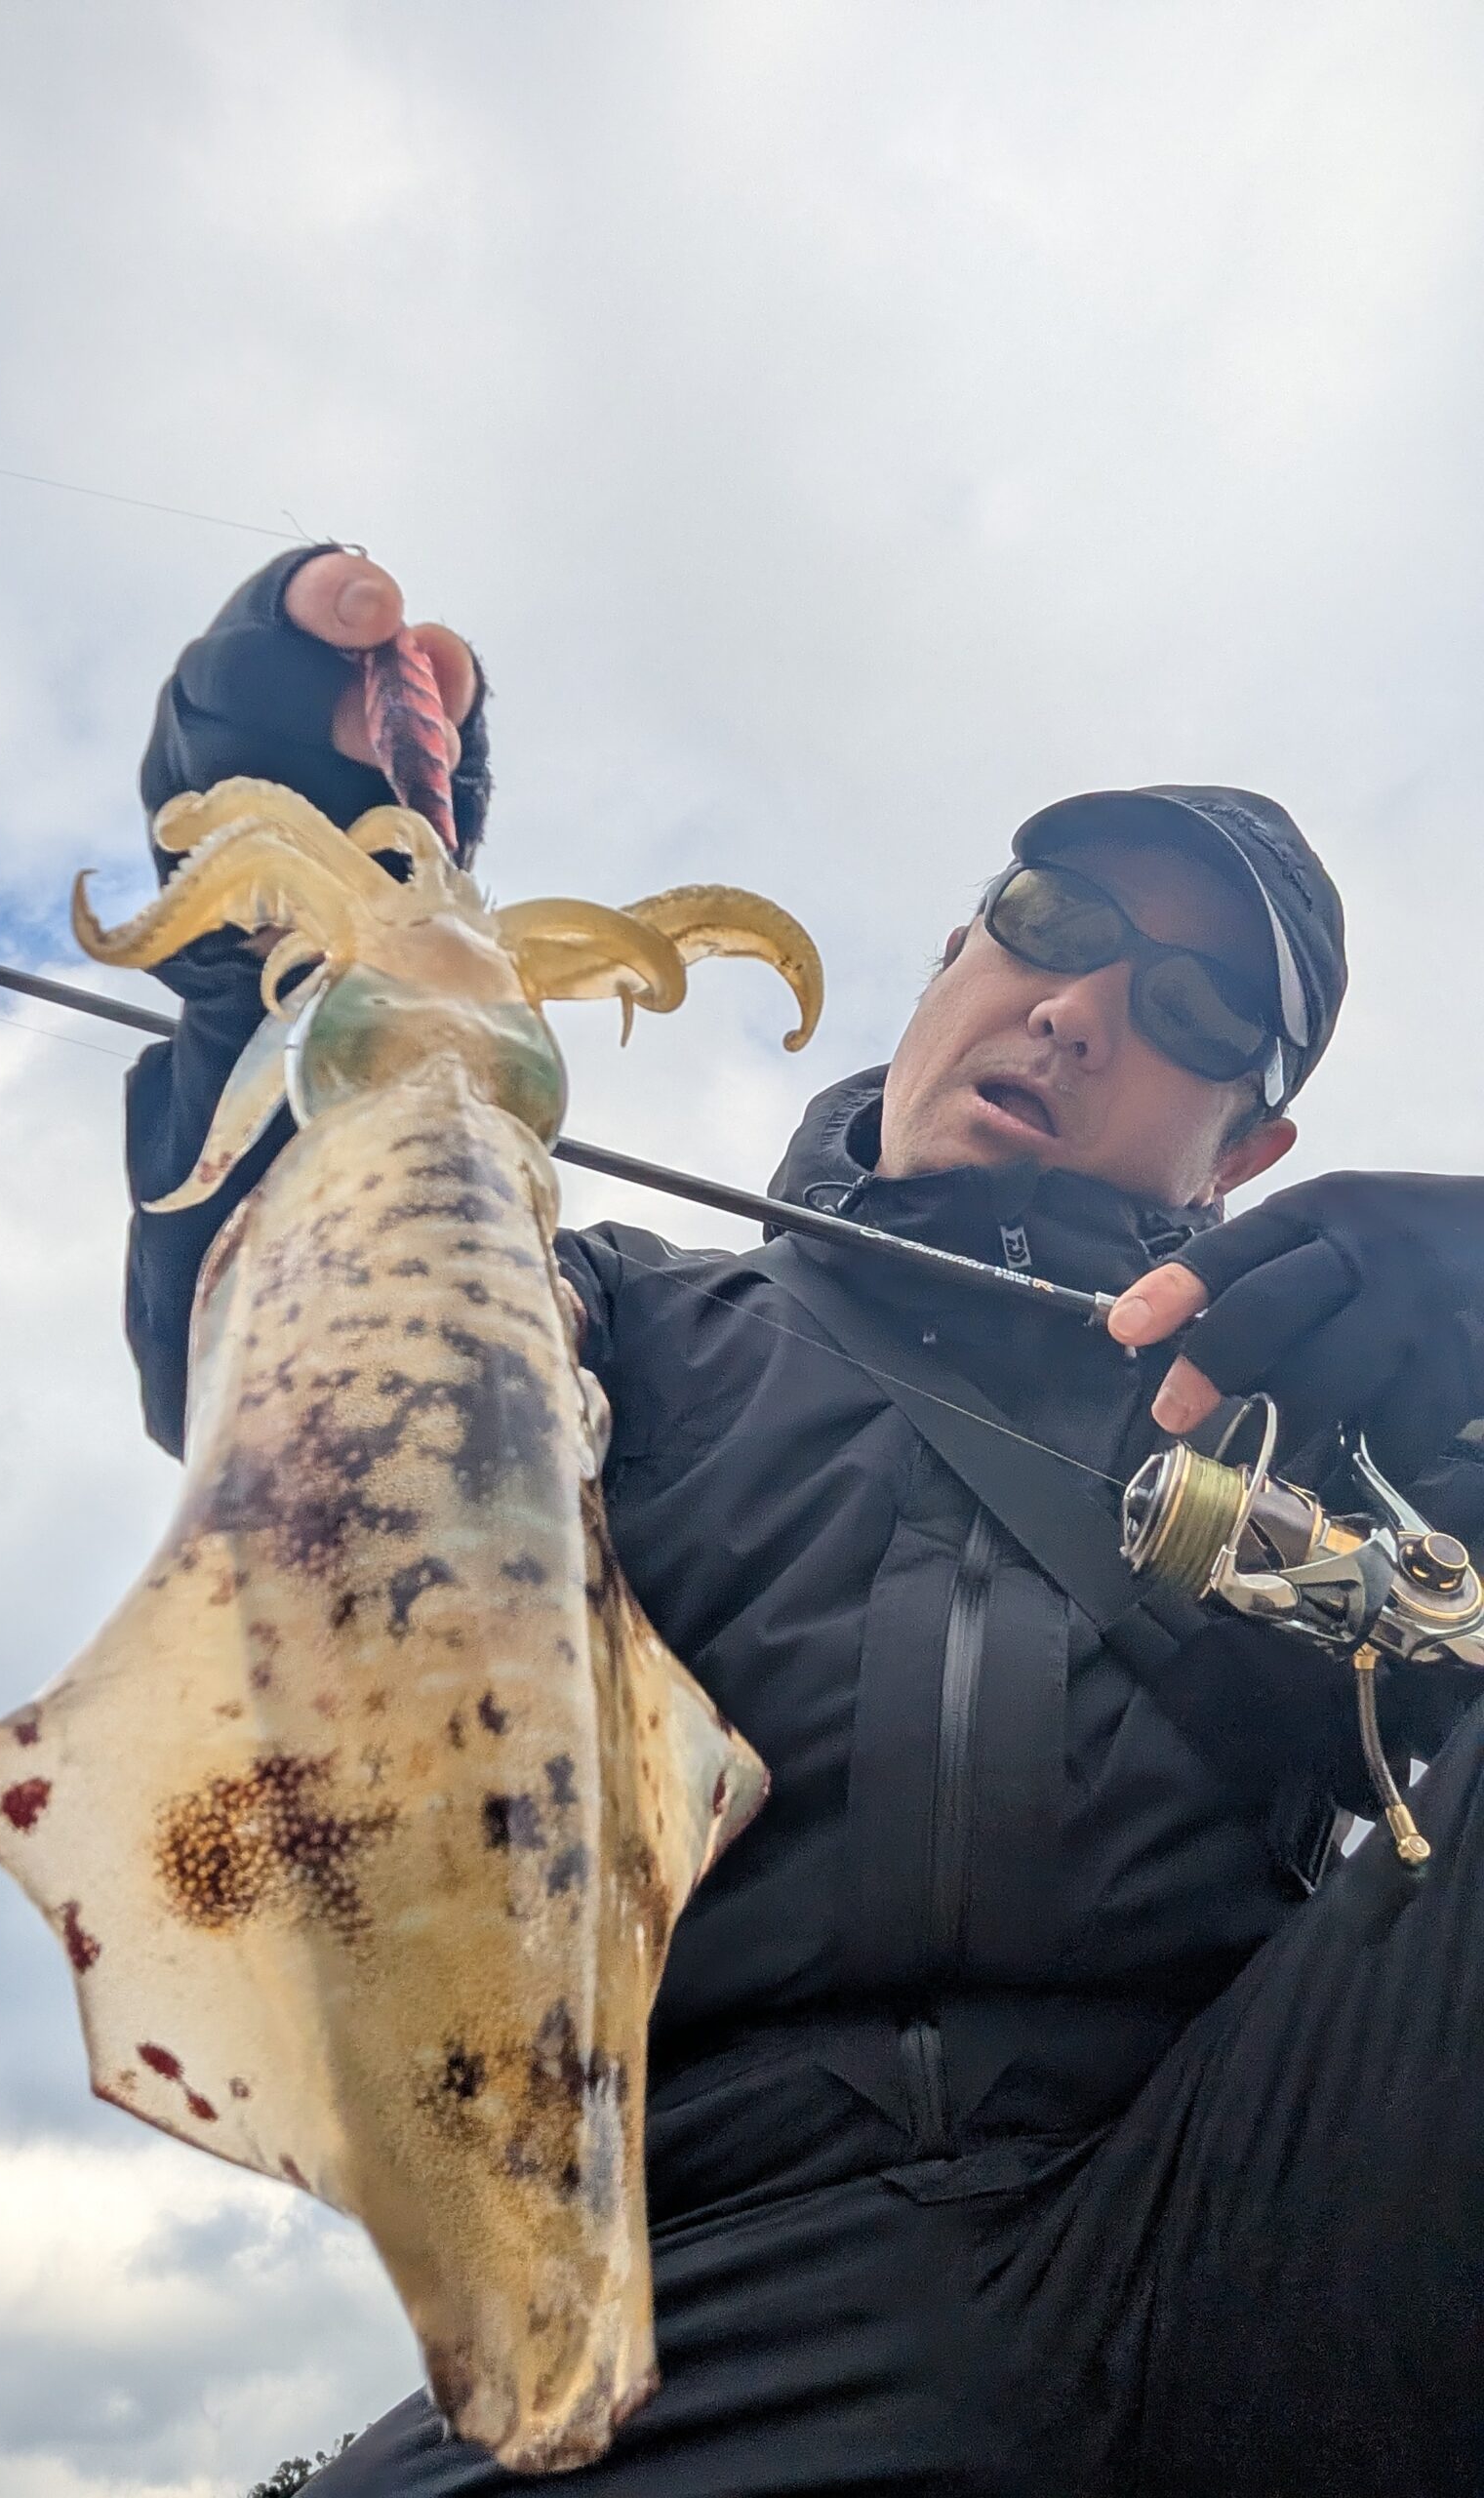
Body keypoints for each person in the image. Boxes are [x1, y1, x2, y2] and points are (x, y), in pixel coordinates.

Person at [121, 547, 1484, 2498]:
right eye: (1054, 922)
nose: (1080, 1008)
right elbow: (311, 1412)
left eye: (1192, 1007)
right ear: (950, 959)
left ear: (1246, 1151)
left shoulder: (1339, 1425)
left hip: (1231, 2222)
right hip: (683, 2262)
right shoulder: (620, 1316)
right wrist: (292, 951)